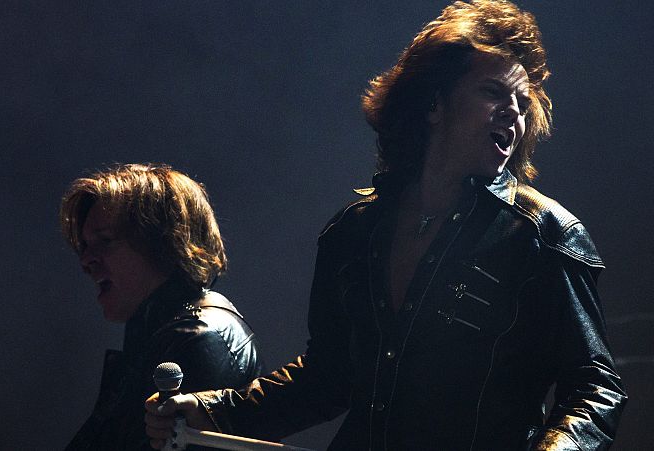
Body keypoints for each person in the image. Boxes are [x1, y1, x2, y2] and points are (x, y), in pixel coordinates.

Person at [145, 1, 626, 450]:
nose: (514, 112)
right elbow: (325, 379)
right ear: (434, 104)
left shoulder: (544, 234)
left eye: (522, 102)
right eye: (492, 92)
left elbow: (596, 387)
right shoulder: (352, 233)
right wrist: (215, 410)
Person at [0, 163, 262, 450]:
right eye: (83, 246)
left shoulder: (198, 339)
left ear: (164, 241)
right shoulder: (169, 333)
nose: (85, 260)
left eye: (105, 241)